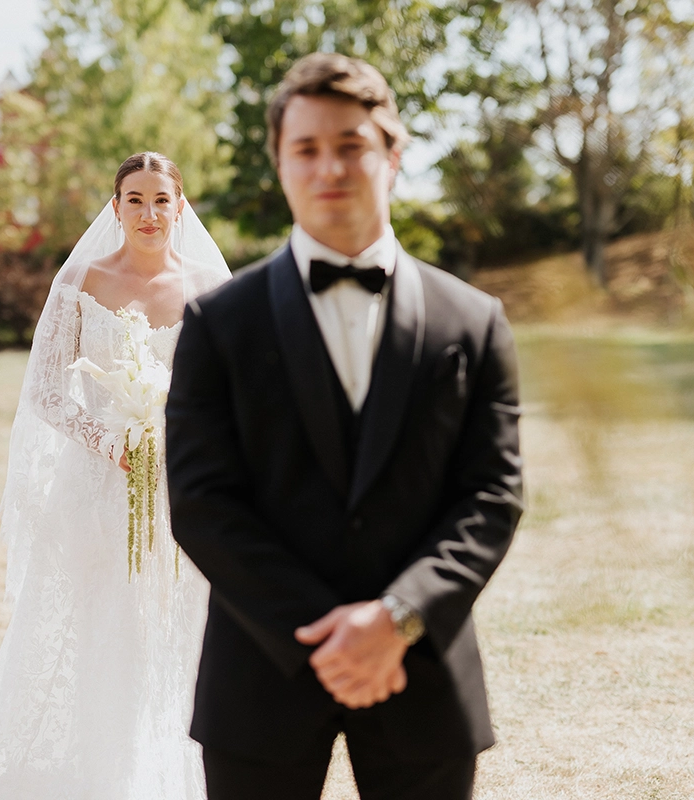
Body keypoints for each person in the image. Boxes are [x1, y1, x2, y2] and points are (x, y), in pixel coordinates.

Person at [166, 54, 525, 800]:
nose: (329, 167)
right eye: (306, 149)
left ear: (393, 156)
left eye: (351, 145)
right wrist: (329, 637)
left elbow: (492, 496)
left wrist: (397, 620)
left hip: (422, 675)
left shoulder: (475, 321)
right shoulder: (215, 323)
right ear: (280, 164)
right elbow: (202, 502)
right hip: (259, 679)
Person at [0, 152, 231, 800]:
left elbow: (230, 390)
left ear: (180, 205)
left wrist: (180, 442)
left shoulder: (207, 286)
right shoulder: (82, 280)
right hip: (98, 486)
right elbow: (47, 392)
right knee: (100, 625)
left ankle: (165, 767)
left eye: (160, 200)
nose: (148, 213)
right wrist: (110, 441)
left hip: (180, 485)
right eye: (134, 199)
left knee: (175, 629)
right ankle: (100, 773)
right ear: (114, 207)